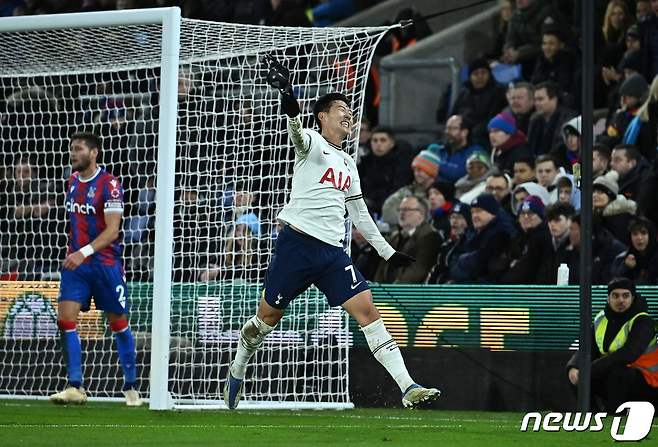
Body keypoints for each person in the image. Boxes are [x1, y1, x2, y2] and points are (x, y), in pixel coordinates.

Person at [223, 55, 440, 410]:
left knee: (368, 312)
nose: (348, 114)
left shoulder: (349, 163)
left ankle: (407, 386)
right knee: (264, 322)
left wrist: (388, 252)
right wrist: (288, 95)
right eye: (341, 108)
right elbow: (294, 128)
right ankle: (239, 364)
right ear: (322, 117)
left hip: (331, 254)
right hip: (297, 245)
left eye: (351, 111)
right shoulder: (309, 143)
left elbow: (360, 215)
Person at [49, 132, 142, 406]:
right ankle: (75, 386)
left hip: (105, 265)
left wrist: (83, 252)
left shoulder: (109, 184)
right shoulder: (71, 182)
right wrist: (76, 254)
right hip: (76, 266)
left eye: (78, 149)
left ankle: (131, 387)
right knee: (65, 319)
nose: (72, 153)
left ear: (94, 152)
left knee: (118, 323)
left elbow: (113, 231)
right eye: (71, 149)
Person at [566, 278, 658, 411]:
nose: (621, 300)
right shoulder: (601, 319)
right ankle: (591, 415)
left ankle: (612, 415)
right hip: (615, 376)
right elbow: (586, 349)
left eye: (625, 295)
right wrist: (573, 367)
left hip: (649, 381)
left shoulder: (643, 321)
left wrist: (589, 370)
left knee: (617, 373)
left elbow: (628, 354)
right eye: (615, 296)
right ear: (608, 299)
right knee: (574, 375)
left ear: (633, 298)